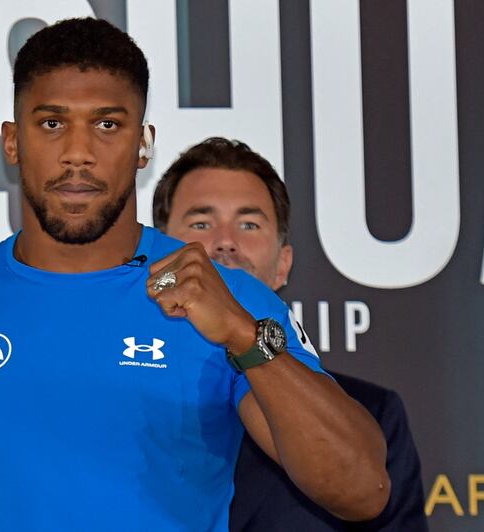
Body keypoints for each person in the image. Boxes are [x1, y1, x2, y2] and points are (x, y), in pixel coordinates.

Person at [0, 19, 389, 531]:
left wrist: (244, 336)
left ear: (143, 144)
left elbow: (361, 490)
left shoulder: (228, 301)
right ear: (13, 141)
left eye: (107, 125)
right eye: (52, 123)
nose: (78, 154)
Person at [153, 137, 428, 531]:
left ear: (283, 266)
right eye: (201, 223)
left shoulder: (370, 414)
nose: (225, 242)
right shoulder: (122, 393)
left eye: (249, 224)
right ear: (159, 251)